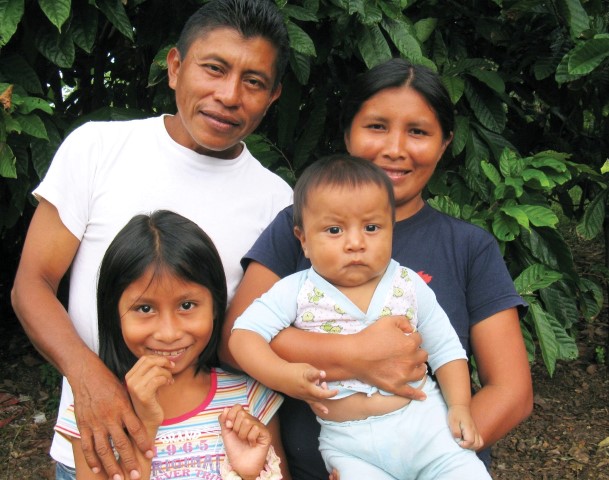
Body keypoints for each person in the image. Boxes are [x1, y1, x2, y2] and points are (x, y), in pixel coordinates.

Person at [10, 1, 293, 478]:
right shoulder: (97, 148)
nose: (229, 95)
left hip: (214, 451)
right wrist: (89, 378)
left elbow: (240, 340)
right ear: (175, 67)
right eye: (214, 68)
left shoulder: (277, 202)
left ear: (272, 96)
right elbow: (31, 285)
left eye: (254, 81)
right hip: (99, 442)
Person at [220, 58, 533, 479]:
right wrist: (355, 356)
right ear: (348, 133)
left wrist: (440, 453)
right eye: (377, 126)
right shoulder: (295, 226)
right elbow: (235, 340)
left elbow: (511, 390)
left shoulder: (468, 247)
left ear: (444, 144)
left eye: (418, 131)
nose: (395, 147)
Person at [229, 155, 491, 479]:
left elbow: (446, 348)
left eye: (371, 227)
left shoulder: (408, 285)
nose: (355, 243)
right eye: (334, 229)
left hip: (426, 430)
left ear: (391, 230)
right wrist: (281, 374)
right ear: (304, 240)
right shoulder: (295, 292)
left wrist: (461, 406)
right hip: (349, 447)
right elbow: (242, 335)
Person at [55, 210, 288, 479]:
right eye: (144, 308)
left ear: (215, 304)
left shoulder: (251, 398)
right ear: (113, 313)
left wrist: (251, 472)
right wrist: (143, 425)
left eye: (186, 305)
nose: (168, 333)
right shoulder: (97, 413)